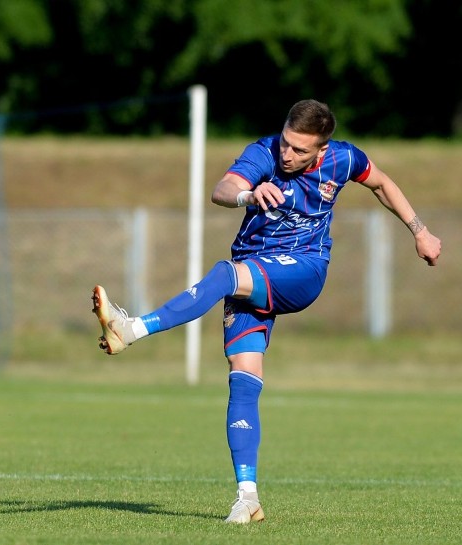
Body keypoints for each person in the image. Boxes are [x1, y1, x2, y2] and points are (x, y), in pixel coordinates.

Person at [91, 99, 442, 523]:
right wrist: (247, 194)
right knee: (243, 378)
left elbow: (383, 184)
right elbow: (222, 190)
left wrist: (419, 232)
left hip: (304, 269)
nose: (287, 154)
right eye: (286, 143)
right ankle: (247, 497)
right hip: (254, 270)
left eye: (299, 150)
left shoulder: (345, 159)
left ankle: (131, 329)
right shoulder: (264, 152)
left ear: (321, 150)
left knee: (224, 274)